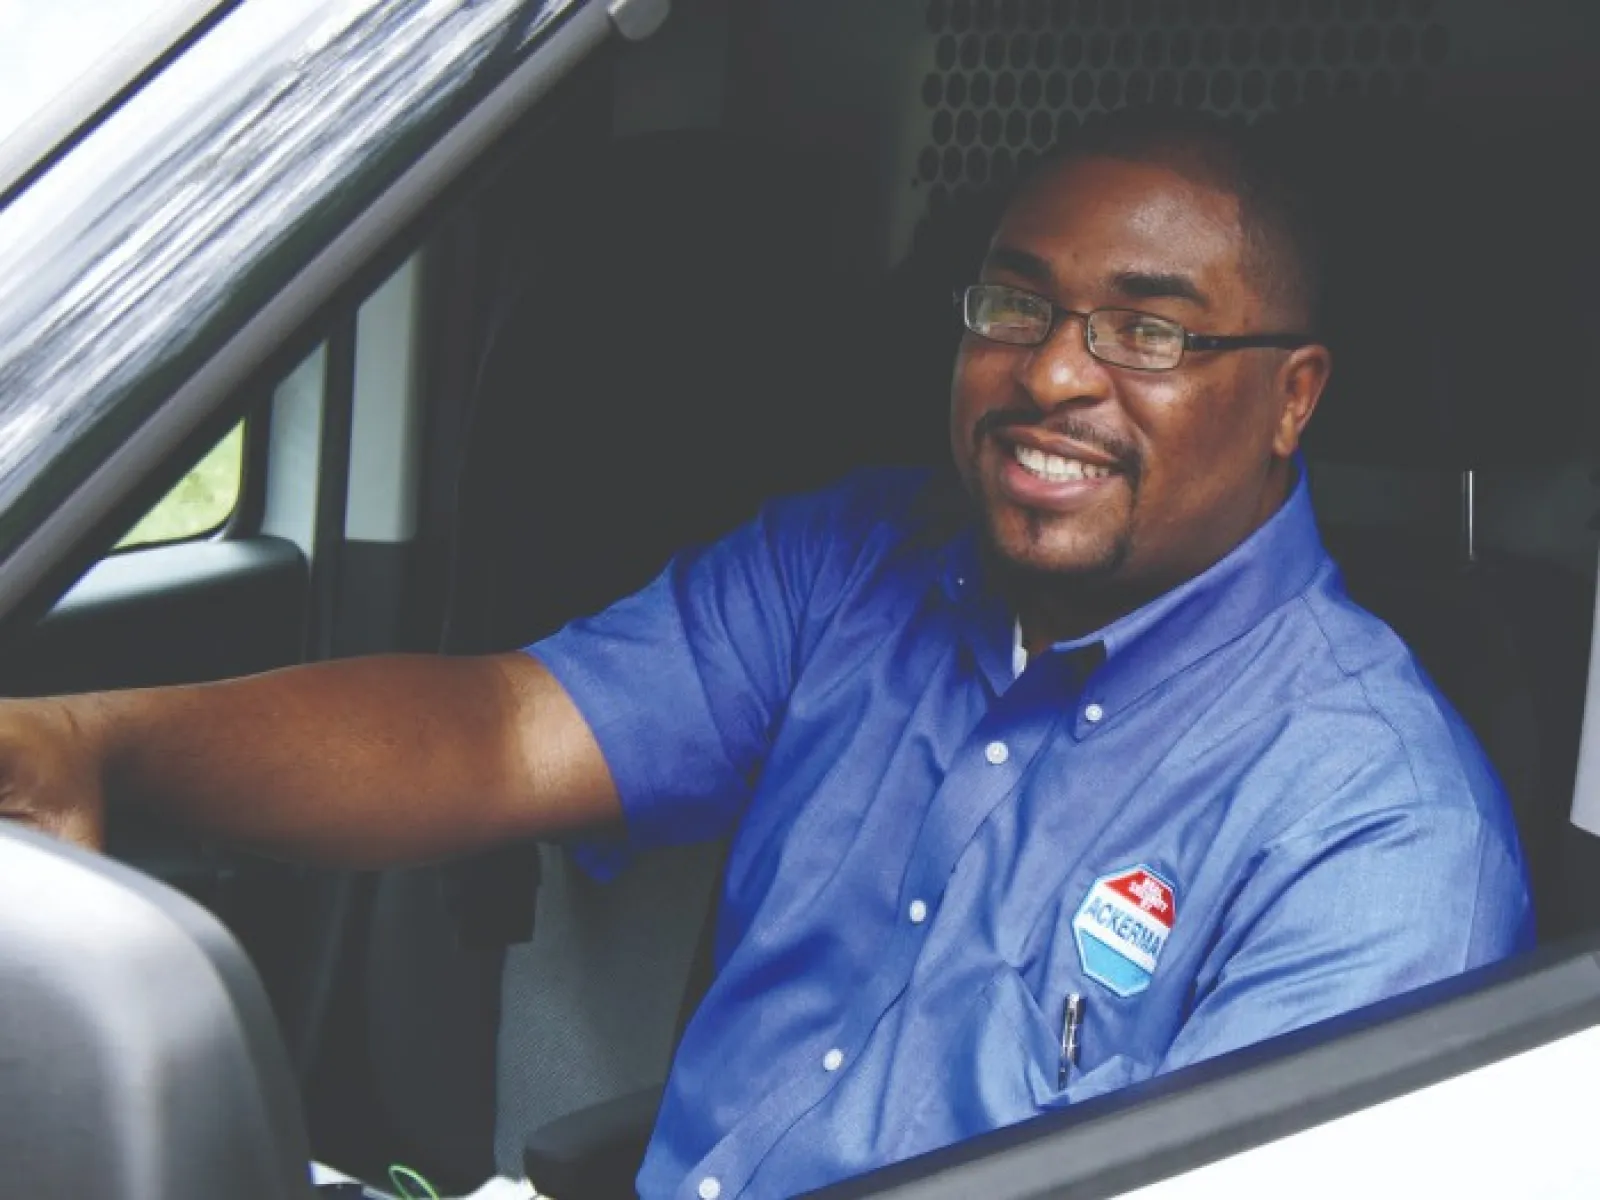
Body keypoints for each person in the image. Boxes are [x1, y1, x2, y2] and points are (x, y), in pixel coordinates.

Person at [0, 109, 1531, 1199]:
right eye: (1013, 302)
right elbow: (503, 732)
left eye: (1150, 331)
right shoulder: (851, 564)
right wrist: (98, 746)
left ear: (1293, 396)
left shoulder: (1377, 831)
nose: (1051, 370)